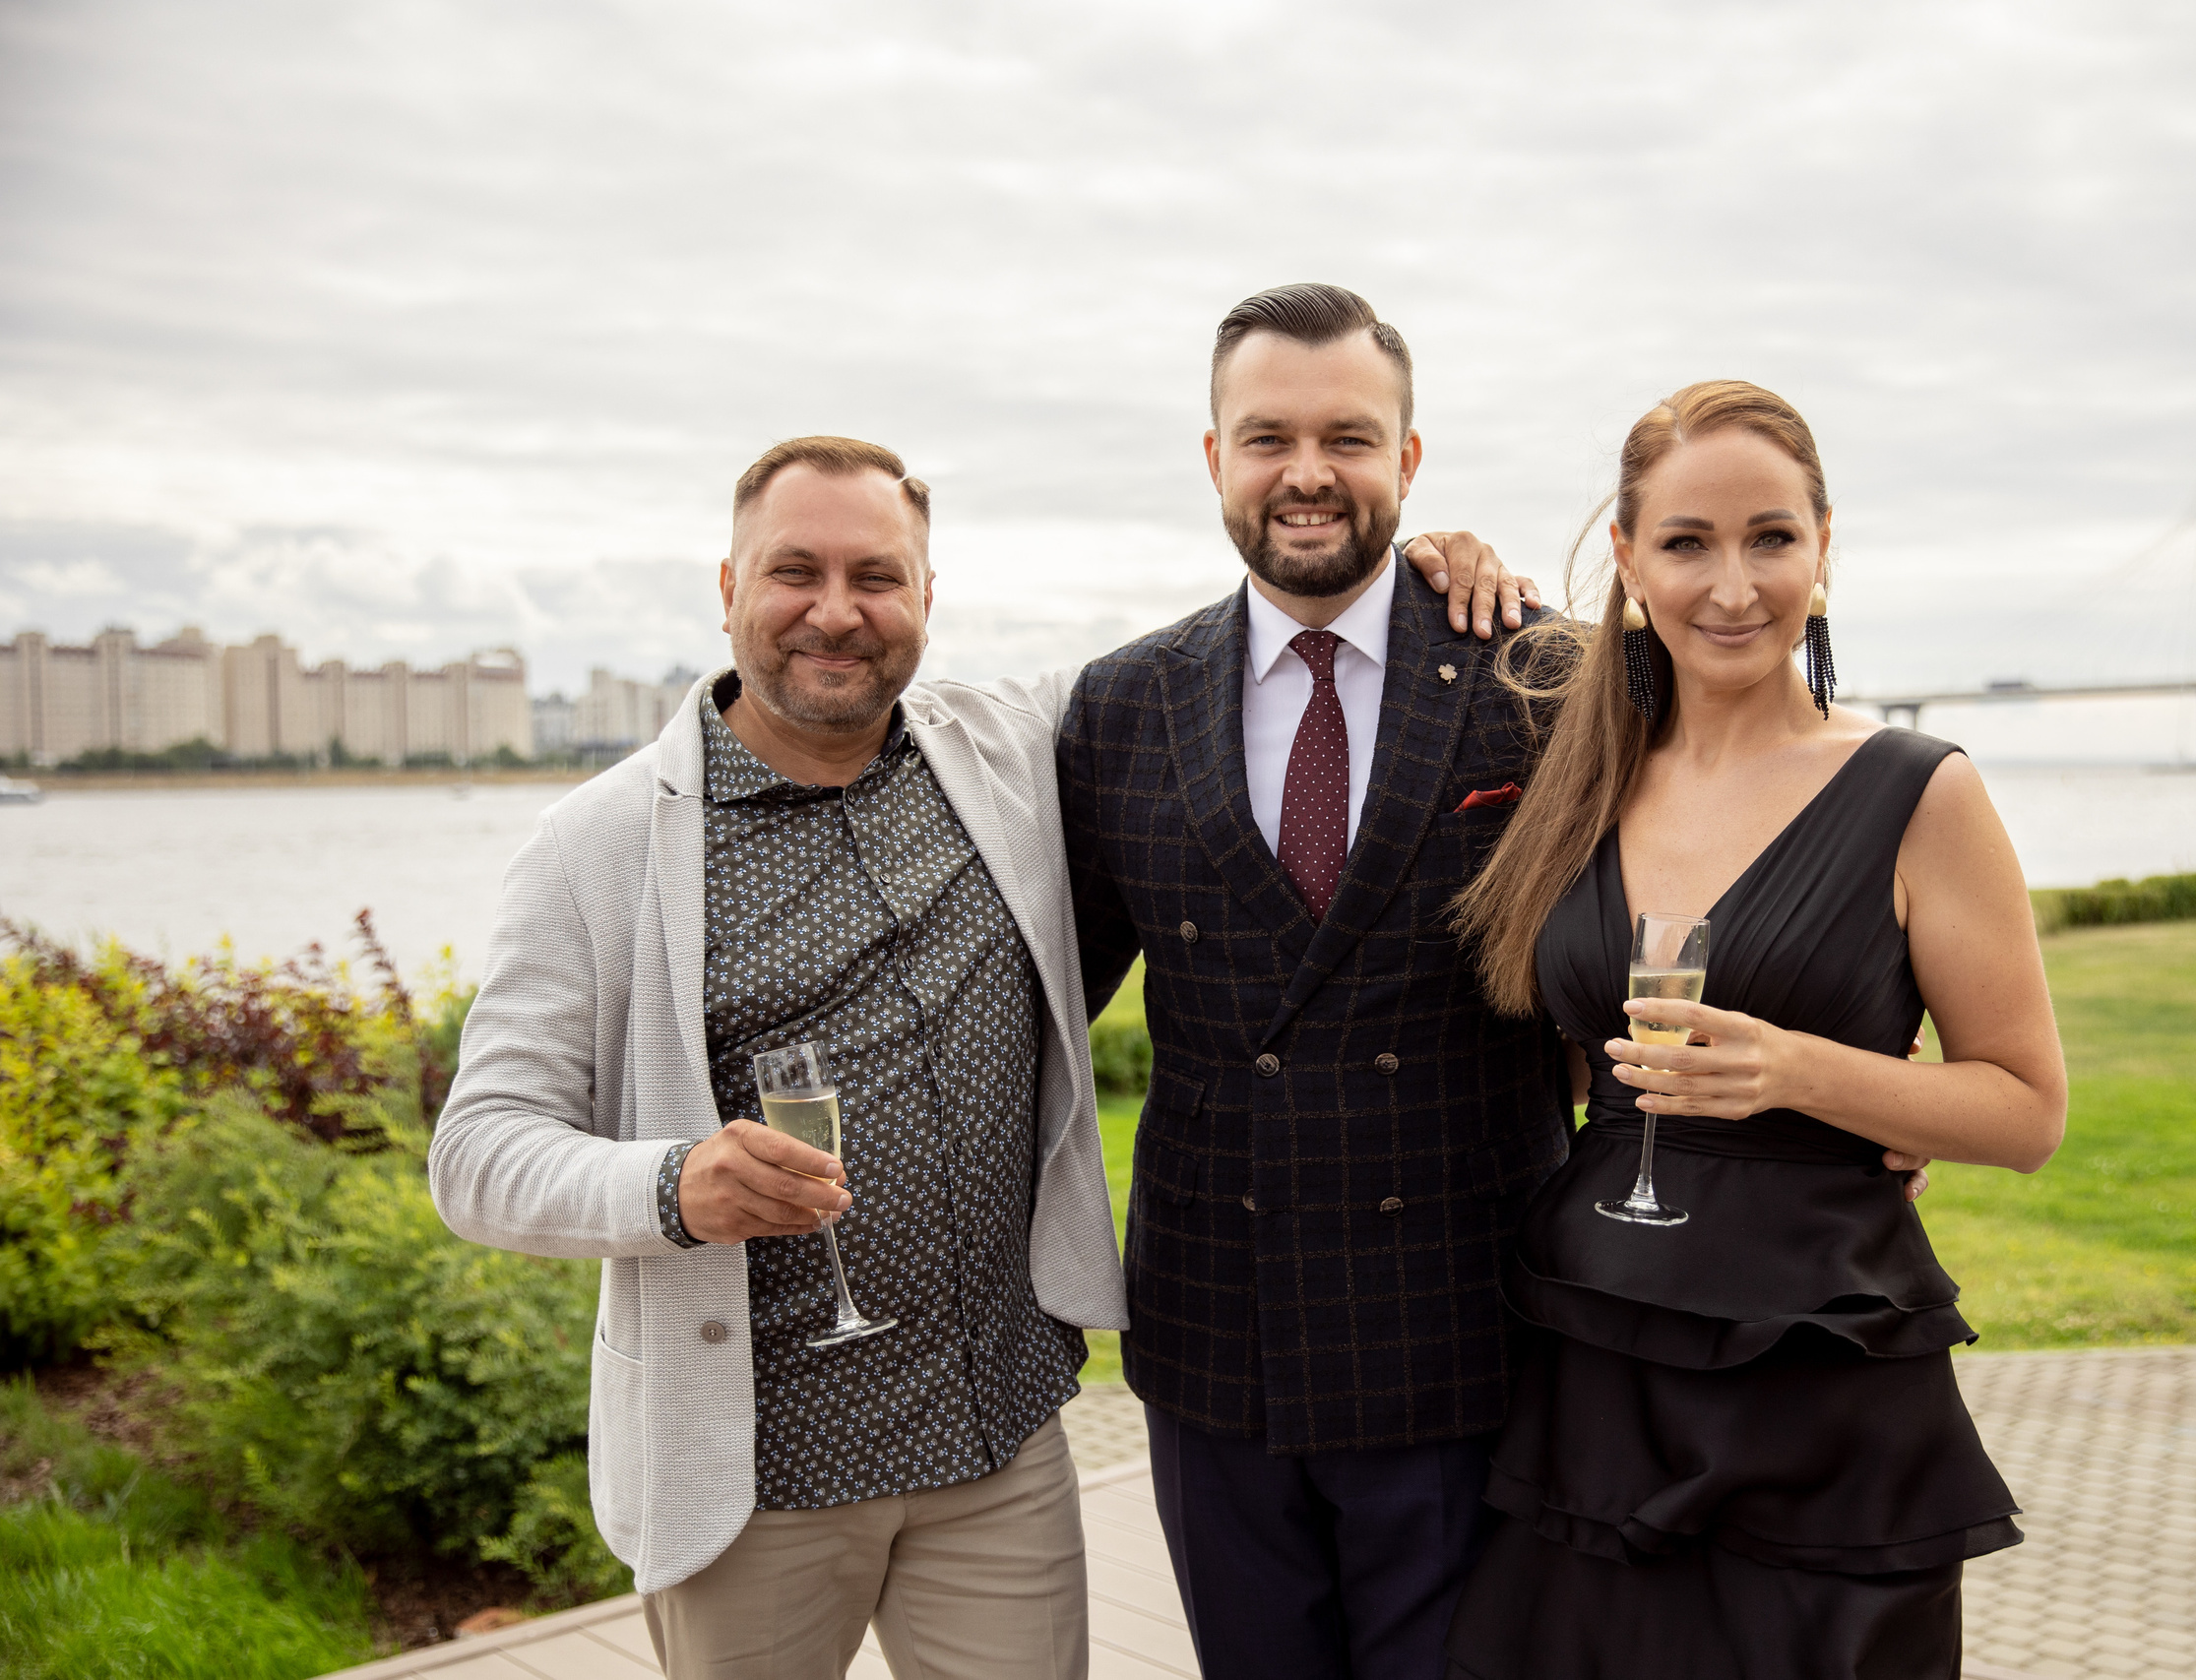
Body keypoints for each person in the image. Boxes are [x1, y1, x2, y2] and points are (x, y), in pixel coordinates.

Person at [428, 431, 1526, 1680]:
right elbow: (476, 1155)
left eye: (878, 578)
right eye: (795, 572)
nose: (836, 614)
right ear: (726, 588)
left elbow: (1249, 643)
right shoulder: (599, 846)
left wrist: (1419, 570)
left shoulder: (1006, 747)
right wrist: (668, 1189)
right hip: (755, 1473)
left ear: (929, 600)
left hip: (997, 1445)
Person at [1055, 286, 1930, 1680]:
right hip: (1219, 1328)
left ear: (1408, 461)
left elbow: (1739, 853)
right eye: (1267, 433)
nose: (1307, 471)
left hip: (1473, 1325)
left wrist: (1830, 1112)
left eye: (1350, 435)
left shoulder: (1552, 678)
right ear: (1211, 455)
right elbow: (1050, 997)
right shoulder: (1118, 701)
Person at [1442, 381, 2069, 1678]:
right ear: (1626, 558)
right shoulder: (1582, 774)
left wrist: (1803, 1071)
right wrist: (1433, 554)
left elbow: (2025, 1108)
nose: (1733, 584)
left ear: (1825, 548)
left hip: (1824, 1396)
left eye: (1771, 537)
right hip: (1593, 1368)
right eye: (1686, 542)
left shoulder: (1919, 790)